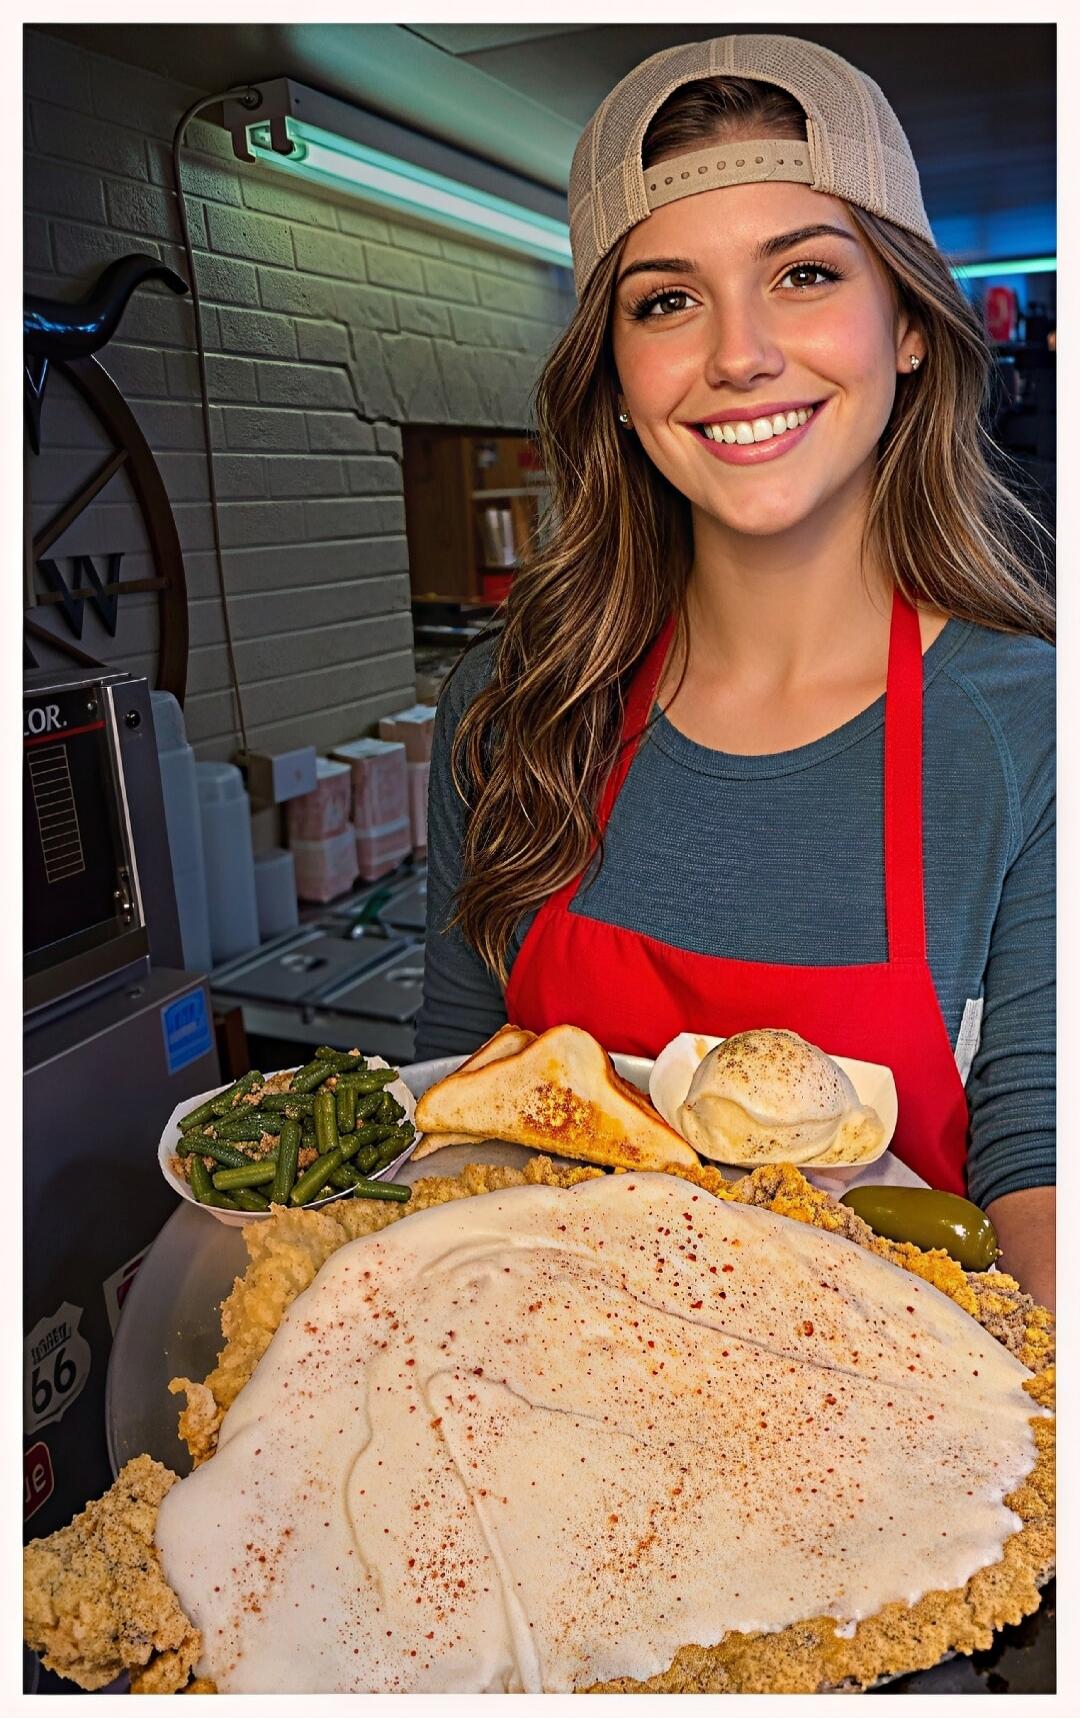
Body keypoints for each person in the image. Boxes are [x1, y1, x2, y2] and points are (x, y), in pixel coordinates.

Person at [414, 34, 1055, 1306]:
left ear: (911, 326)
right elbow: (454, 1093)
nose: (740, 355)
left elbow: (1040, 1164)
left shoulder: (1031, 729)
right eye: (666, 299)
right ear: (612, 371)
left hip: (889, 1442)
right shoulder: (506, 705)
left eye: (806, 273)